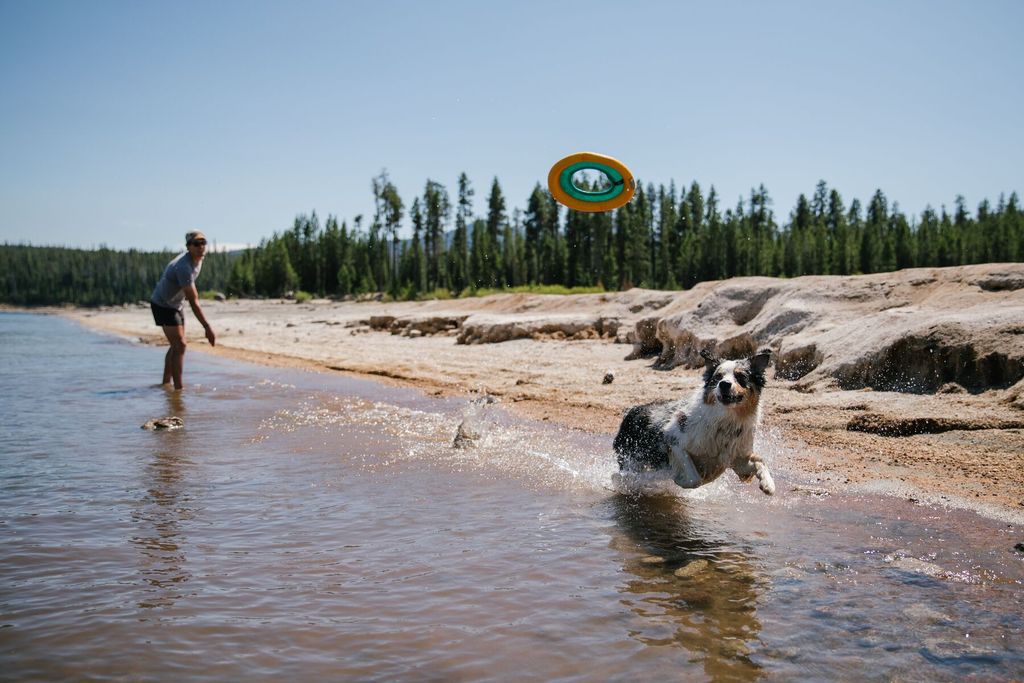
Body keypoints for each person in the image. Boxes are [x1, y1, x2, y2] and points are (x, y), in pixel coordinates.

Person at [150, 230, 216, 390]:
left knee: (176, 345)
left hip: (176, 305)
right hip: (163, 305)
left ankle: (166, 383)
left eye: (203, 243)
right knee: (180, 345)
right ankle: (178, 392)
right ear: (188, 247)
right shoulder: (183, 266)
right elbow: (194, 301)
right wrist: (207, 328)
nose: (201, 247)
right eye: (196, 244)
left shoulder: (198, 259)